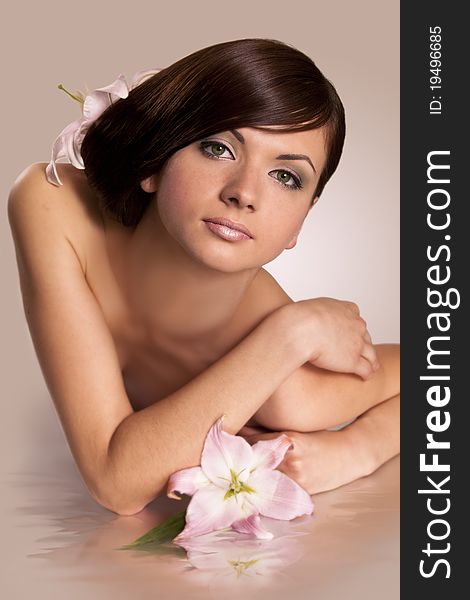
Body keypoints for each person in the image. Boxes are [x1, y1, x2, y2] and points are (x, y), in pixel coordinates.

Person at [7, 38, 399, 516]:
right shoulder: (52, 203)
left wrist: (361, 448)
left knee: (294, 404)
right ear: (154, 159)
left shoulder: (290, 383)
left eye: (287, 177)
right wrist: (297, 331)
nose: (244, 193)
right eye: (218, 148)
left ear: (302, 222)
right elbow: (114, 472)